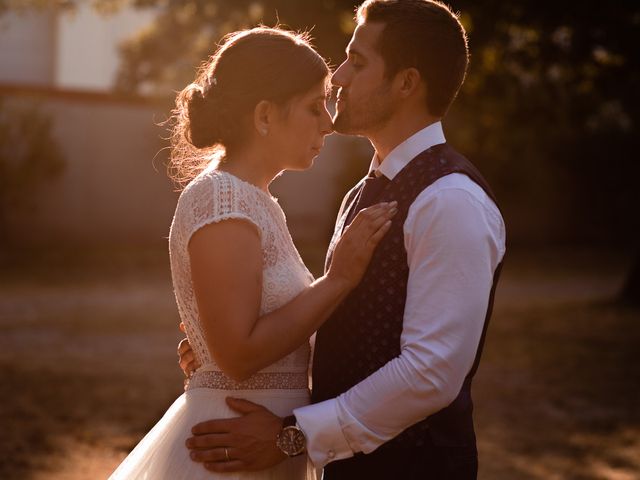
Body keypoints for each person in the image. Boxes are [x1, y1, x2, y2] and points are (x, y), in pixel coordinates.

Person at [178, 1, 507, 479]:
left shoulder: (451, 200)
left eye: (357, 60)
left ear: (406, 83)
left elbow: (431, 373)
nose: (338, 78)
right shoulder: (364, 193)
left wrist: (293, 436)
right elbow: (349, 329)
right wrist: (220, 346)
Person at [108, 26, 397, 480]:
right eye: (312, 106)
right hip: (231, 453)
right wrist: (339, 279)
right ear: (265, 114)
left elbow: (251, 337)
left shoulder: (256, 201)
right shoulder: (223, 199)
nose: (329, 122)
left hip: (261, 442)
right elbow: (239, 354)